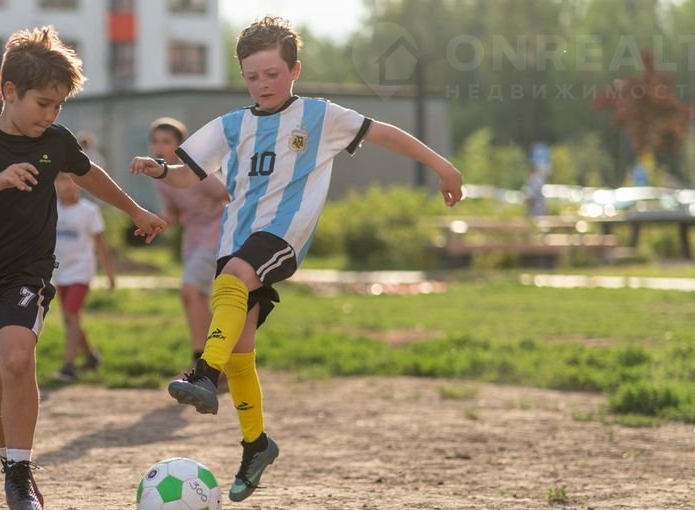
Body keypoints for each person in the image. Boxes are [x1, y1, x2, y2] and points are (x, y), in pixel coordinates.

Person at [131, 16, 464, 502]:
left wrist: (443, 165)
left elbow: (386, 134)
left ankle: (204, 372)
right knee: (241, 350)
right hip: (236, 239)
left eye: (272, 74)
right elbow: (189, 173)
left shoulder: (320, 117)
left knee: (232, 282)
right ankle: (256, 445)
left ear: (295, 71)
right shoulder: (231, 125)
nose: (262, 84)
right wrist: (161, 169)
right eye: (252, 77)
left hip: (283, 237)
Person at [0, 26, 165, 510]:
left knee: (18, 358)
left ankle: (20, 473)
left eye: (59, 105)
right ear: (10, 91)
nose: (51, 115)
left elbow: (89, 174)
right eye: (43, 103)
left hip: (26, 272)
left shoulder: (55, 140)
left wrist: (136, 211)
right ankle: (10, 464)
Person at [149, 117, 231, 365]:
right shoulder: (162, 177)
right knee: (196, 297)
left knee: (190, 292)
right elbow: (174, 215)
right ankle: (215, 361)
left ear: (181, 146)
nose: (159, 147)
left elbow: (229, 195)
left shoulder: (196, 170)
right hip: (193, 238)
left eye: (166, 141)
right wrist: (151, 222)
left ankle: (203, 361)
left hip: (216, 233)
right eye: (155, 141)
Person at [51, 173, 115, 382]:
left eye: (71, 179)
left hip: (81, 272)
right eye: (61, 179)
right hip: (60, 272)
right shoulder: (51, 208)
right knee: (70, 318)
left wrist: (110, 275)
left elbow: (101, 245)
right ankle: (91, 357)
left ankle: (68, 366)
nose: (67, 185)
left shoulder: (89, 211)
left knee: (71, 315)